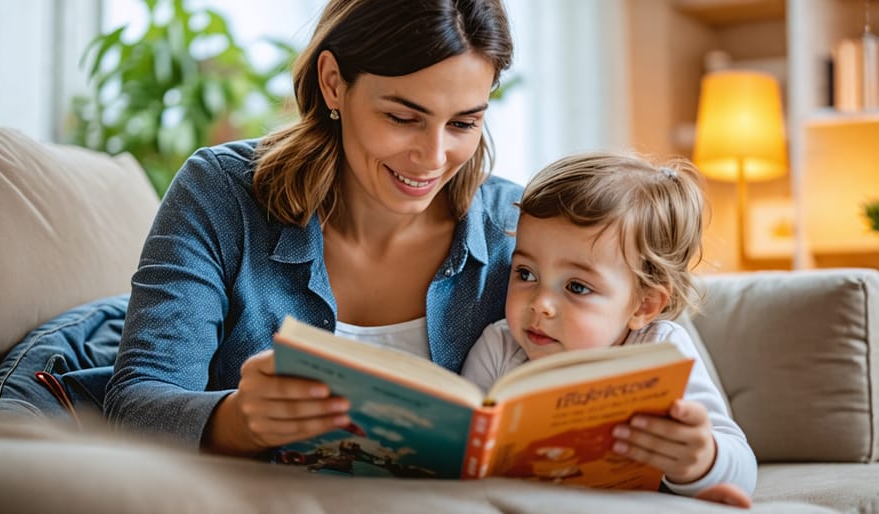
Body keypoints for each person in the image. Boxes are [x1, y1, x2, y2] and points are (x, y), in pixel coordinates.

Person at [104, 0, 522, 458]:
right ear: (333, 83)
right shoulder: (221, 193)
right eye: (402, 118)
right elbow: (134, 405)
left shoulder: (518, 230)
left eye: (464, 123)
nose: (434, 156)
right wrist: (240, 421)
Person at [460, 152, 757, 507]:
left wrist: (702, 459)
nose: (540, 304)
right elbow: (464, 444)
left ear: (643, 305)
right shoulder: (499, 346)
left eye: (577, 287)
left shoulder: (658, 351)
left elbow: (743, 465)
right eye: (526, 274)